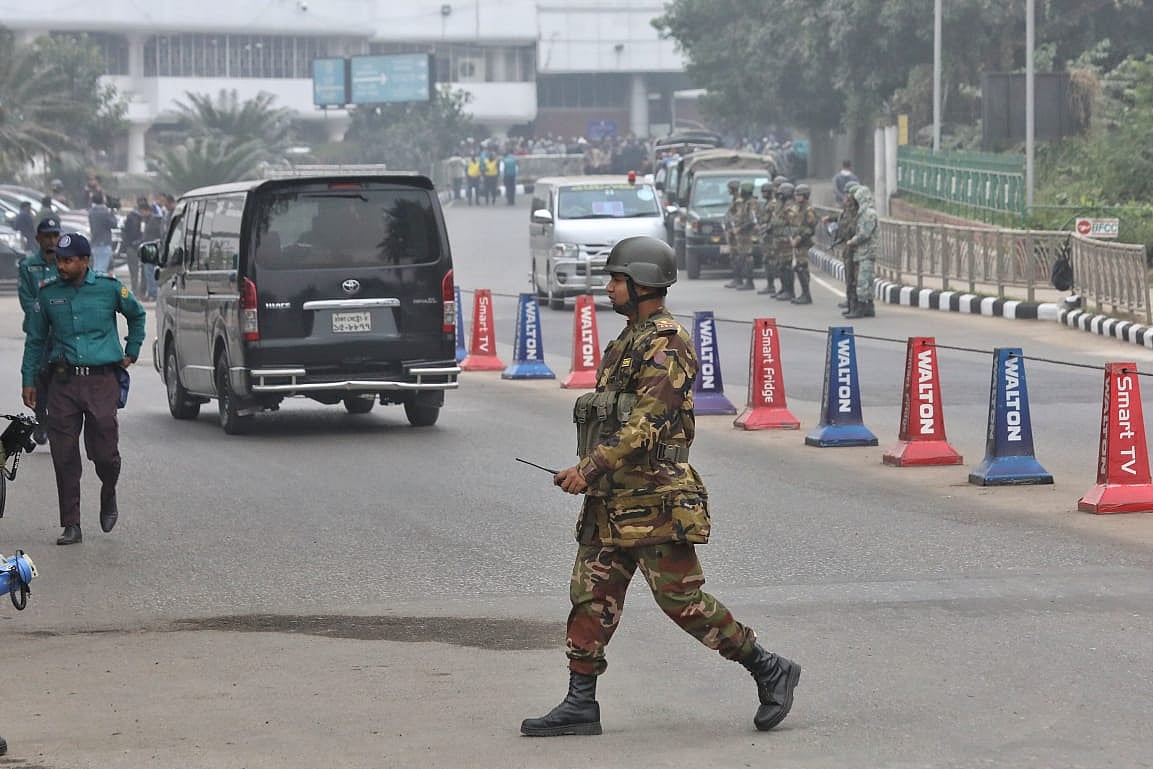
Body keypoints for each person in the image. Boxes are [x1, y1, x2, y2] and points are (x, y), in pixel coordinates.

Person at [520, 236, 801, 737]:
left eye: (616, 280)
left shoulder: (667, 343)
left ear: (642, 284)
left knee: (682, 601)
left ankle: (768, 666)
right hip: (612, 497)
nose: (608, 288)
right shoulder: (627, 340)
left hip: (654, 500)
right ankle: (580, 702)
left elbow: (646, 423)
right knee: (590, 596)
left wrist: (589, 468)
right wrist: (592, 471)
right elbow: (613, 422)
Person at [20, 233, 147, 546]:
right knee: (63, 455)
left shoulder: (109, 287)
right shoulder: (48, 294)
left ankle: (108, 490)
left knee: (104, 453)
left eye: (68, 260)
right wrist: (28, 380)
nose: (61, 265)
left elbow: (137, 313)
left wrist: (132, 349)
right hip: (63, 383)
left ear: (85, 261)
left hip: (102, 380)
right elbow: (35, 340)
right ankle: (71, 524)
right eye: (59, 259)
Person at [17, 216, 62, 446]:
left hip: (62, 332)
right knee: (40, 375)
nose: (52, 240)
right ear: (38, 238)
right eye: (47, 236)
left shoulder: (65, 263)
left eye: (55, 235)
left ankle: (57, 420)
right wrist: (40, 316)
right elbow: (26, 298)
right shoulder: (28, 265)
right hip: (39, 331)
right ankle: (41, 419)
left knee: (60, 377)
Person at [843, 185, 877, 319]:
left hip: (866, 252)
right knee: (862, 279)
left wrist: (853, 241)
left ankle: (862, 307)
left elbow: (864, 233)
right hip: (861, 252)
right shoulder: (862, 213)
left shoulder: (869, 214)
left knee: (863, 281)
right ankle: (867, 307)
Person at [788, 183, 818, 305]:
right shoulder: (797, 209)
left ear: (805, 196)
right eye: (796, 195)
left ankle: (807, 295)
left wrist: (798, 238)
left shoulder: (808, 210)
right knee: (799, 268)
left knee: (802, 267)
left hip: (803, 242)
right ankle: (803, 294)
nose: (797, 197)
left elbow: (810, 228)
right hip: (797, 242)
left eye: (799, 195)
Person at [770, 182, 797, 301]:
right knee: (781, 265)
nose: (779, 195)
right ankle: (784, 288)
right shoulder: (782, 204)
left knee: (787, 265)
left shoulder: (790, 206)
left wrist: (777, 222)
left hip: (786, 239)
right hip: (780, 239)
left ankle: (789, 291)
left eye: (781, 193)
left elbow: (790, 220)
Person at [731, 181, 759, 290]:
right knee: (742, 256)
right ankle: (743, 280)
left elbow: (752, 220)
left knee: (748, 258)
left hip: (748, 235)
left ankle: (749, 282)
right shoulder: (745, 202)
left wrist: (740, 228)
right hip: (742, 236)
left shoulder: (752, 203)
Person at [87, 192, 118, 274]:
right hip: (104, 243)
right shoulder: (104, 212)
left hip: (95, 242)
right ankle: (99, 285)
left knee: (96, 266)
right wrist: (112, 212)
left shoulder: (91, 212)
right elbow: (114, 224)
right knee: (102, 269)